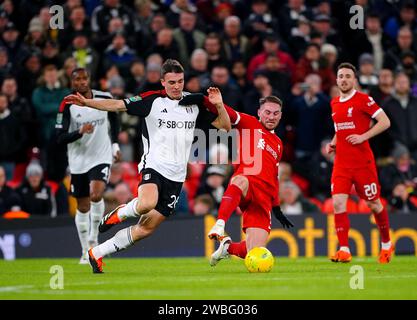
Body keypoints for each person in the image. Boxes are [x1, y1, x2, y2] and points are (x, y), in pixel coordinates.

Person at [65, 59, 231, 273]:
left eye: (180, 81)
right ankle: (120, 213)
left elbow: (225, 127)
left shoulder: (194, 103)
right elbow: (117, 105)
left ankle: (96, 253)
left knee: (145, 228)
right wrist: (87, 103)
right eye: (171, 82)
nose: (176, 86)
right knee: (145, 203)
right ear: (162, 82)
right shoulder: (151, 101)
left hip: (177, 176)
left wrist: (219, 104)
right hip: (154, 165)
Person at [184, 94, 294, 266]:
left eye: (275, 113)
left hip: (263, 200)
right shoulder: (249, 122)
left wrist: (277, 207)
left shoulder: (279, 144)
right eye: (267, 112)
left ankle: (227, 248)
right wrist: (205, 99)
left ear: (280, 115)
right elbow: (226, 112)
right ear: (259, 112)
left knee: (254, 251)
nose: (271, 117)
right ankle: (220, 224)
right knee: (240, 180)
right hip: (248, 185)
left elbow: (274, 177)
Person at [326, 62, 393, 263]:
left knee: (374, 203)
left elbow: (385, 121)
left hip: (363, 163)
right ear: (336, 80)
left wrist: (364, 136)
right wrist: (333, 142)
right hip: (342, 164)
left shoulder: (364, 100)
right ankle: (344, 249)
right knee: (338, 203)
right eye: (341, 76)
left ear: (354, 80)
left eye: (348, 76)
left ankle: (387, 244)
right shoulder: (335, 103)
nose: (344, 79)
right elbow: (341, 129)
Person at [56, 68, 121, 264]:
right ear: (72, 82)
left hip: (101, 156)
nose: (82, 82)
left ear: (90, 79)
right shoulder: (67, 104)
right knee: (83, 207)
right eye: (78, 79)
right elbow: (59, 137)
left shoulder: (104, 97)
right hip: (78, 161)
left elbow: (115, 119)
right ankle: (85, 249)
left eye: (85, 78)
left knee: (96, 194)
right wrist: (80, 132)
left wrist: (115, 144)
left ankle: (94, 240)